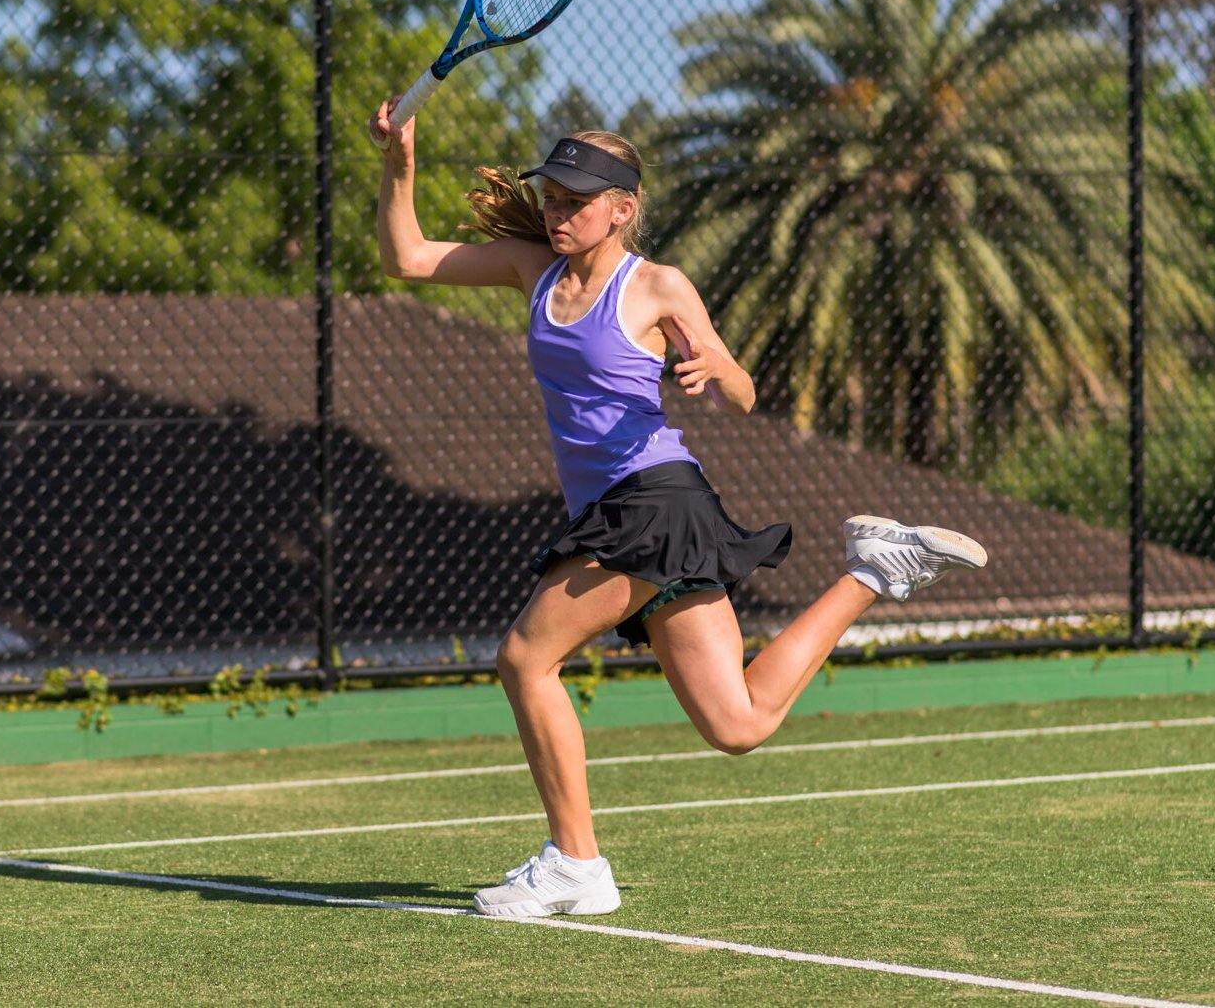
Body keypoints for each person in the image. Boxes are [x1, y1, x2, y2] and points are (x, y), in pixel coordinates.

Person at [371, 99, 988, 920]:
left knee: (524, 658)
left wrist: (716, 369)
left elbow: (742, 393)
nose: (557, 210)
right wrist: (398, 161)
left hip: (654, 500)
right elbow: (407, 258)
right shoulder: (533, 267)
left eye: (575, 199)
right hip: (644, 510)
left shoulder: (657, 286)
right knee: (738, 722)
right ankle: (875, 566)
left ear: (621, 209)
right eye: (551, 195)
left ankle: (575, 863)